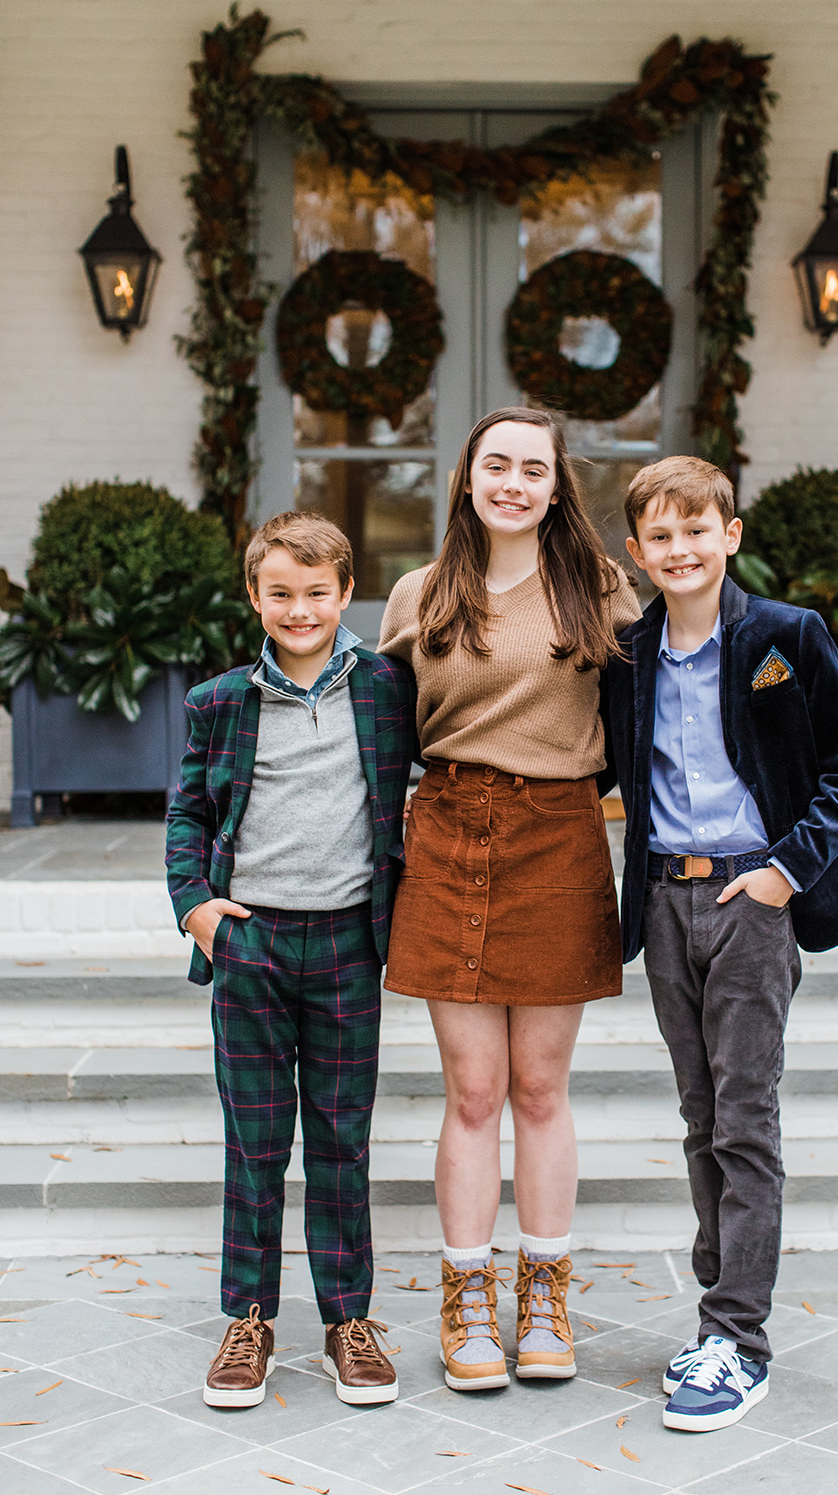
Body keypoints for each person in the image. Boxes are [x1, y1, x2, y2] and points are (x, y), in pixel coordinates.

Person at [602, 455, 838, 1432]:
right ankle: (716, 1320)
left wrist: (781, 871)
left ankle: (738, 1340)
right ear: (634, 553)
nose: (678, 549)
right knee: (696, 1113)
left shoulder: (782, 636)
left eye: (695, 529)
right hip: (665, 903)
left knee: (744, 1120)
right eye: (659, 536)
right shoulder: (629, 656)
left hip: (749, 897)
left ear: (729, 534)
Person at [378, 406, 640, 1391]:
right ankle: (465, 1300)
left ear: (555, 486)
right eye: (497, 464)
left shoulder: (596, 588)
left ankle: (543, 1298)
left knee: (538, 1088)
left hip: (560, 836)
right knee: (472, 1091)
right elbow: (376, 732)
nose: (514, 482)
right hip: (446, 833)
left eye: (534, 468)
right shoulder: (418, 593)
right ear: (467, 477)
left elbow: (657, 701)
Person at [165, 511, 417, 1411]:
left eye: (318, 593)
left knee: (342, 1142)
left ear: (347, 593)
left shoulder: (389, 690)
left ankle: (349, 1321)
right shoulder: (220, 701)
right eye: (282, 593)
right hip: (252, 944)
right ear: (255, 598)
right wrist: (195, 906)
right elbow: (188, 813)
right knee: (257, 1144)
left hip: (350, 942)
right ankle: (250, 1320)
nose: (300, 609)